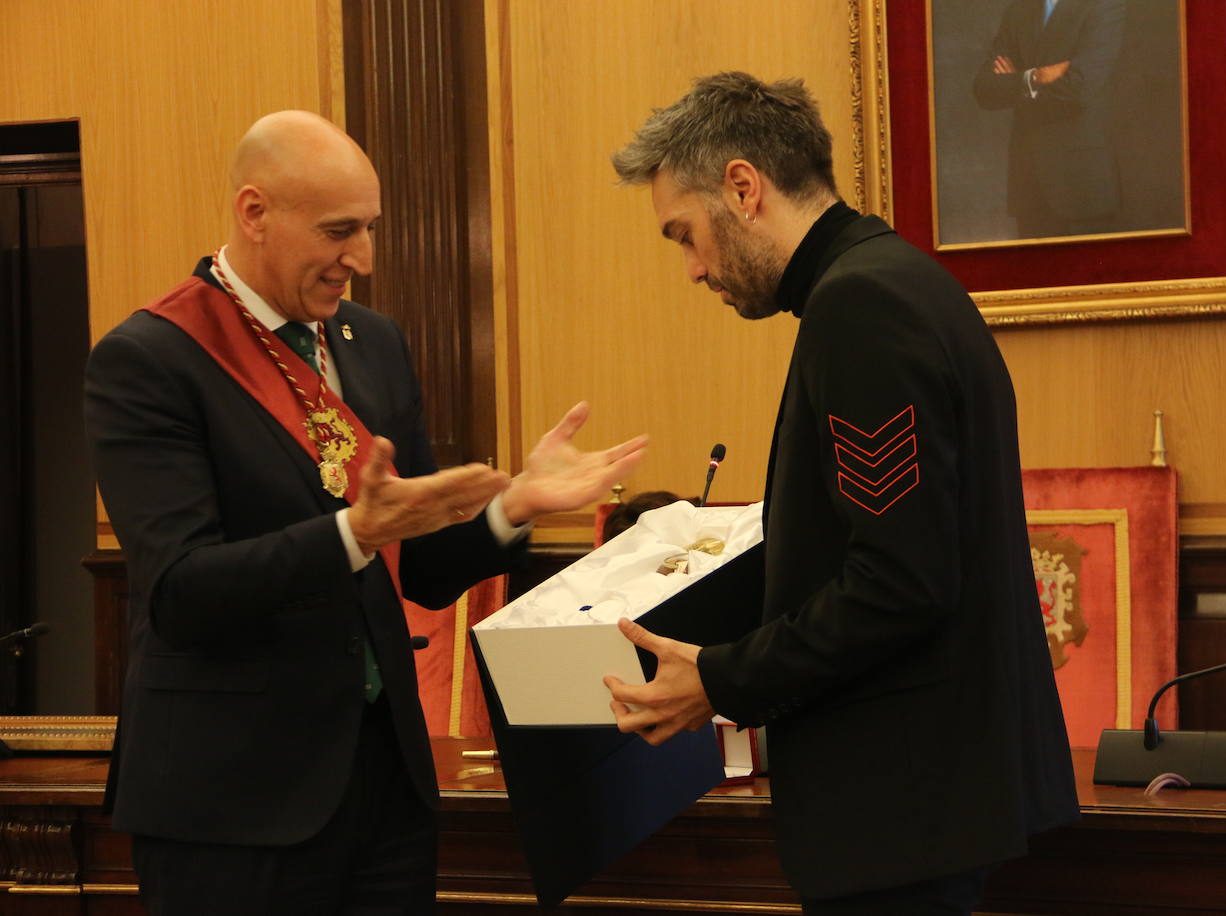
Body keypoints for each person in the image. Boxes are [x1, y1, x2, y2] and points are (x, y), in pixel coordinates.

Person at [84, 110, 645, 915]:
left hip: (383, 784)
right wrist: (354, 534)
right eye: (338, 231)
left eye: (371, 229)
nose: (365, 259)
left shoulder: (370, 341)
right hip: (231, 801)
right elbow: (180, 590)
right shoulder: (150, 359)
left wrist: (514, 506)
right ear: (254, 213)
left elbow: (416, 563)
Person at [604, 73, 1077, 915]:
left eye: (685, 234)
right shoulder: (896, 279)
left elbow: (899, 582)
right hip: (927, 796)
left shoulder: (860, 307)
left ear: (743, 188)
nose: (690, 269)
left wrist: (722, 677)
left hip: (898, 805)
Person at [972, 0, 1127, 240]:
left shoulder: (1103, 5)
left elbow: (1078, 91)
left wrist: (1016, 83)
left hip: (1083, 182)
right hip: (1029, 182)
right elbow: (984, 89)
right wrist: (1035, 77)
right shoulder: (1018, 10)